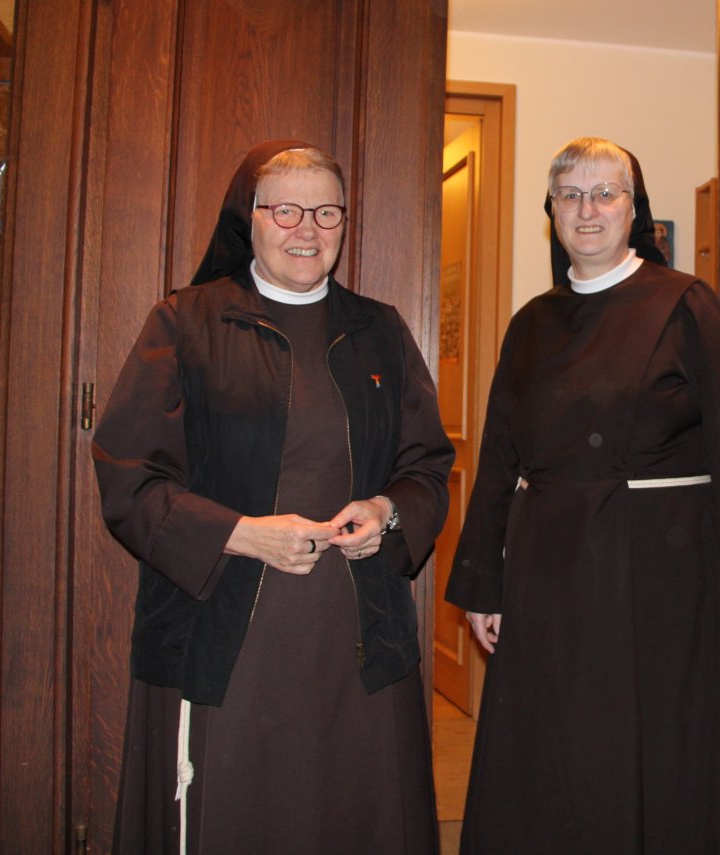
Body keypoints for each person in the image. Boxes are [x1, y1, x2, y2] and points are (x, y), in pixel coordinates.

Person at [93, 139, 453, 854]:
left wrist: (386, 512)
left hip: (355, 628)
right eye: (285, 209)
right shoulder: (187, 322)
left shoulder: (379, 330)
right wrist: (241, 533)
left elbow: (427, 465)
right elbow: (129, 475)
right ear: (249, 218)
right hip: (227, 624)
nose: (307, 229)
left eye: (326, 212)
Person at [445, 137, 720, 854]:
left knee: (653, 751)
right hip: (548, 571)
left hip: (661, 576)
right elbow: (500, 457)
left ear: (635, 210)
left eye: (606, 193)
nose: (588, 209)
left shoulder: (686, 305)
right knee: (553, 750)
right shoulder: (531, 324)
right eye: (570, 195)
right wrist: (482, 582)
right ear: (552, 211)